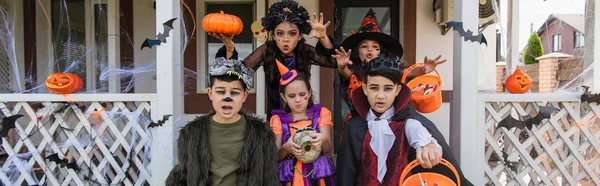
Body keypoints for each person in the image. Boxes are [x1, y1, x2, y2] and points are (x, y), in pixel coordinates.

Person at [336, 56, 473, 186]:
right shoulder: (354, 127)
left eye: (388, 89)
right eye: (374, 88)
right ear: (365, 89)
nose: (380, 96)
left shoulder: (408, 122)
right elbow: (346, 172)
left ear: (398, 90)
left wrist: (428, 147)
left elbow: (419, 135)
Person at [210, 0, 338, 120]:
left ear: (300, 36)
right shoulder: (267, 51)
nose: (286, 39)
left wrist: (323, 38)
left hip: (303, 114)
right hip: (276, 115)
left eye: (292, 33)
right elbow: (237, 72)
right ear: (274, 35)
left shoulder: (305, 50)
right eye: (280, 33)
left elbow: (333, 62)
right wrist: (230, 47)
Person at [165, 57, 279, 186]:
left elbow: (269, 179)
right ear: (210, 93)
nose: (227, 98)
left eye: (234, 92)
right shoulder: (191, 134)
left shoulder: (262, 134)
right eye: (220, 92)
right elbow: (186, 175)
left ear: (245, 95)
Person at [270, 60, 335, 185]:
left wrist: (324, 139)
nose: (298, 100)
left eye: (302, 94)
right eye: (292, 96)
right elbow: (276, 156)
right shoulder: (279, 120)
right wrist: (286, 148)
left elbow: (328, 150)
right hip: (291, 176)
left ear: (309, 93)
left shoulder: (320, 114)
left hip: (318, 175)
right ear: (284, 97)